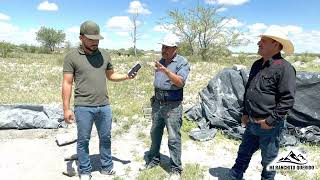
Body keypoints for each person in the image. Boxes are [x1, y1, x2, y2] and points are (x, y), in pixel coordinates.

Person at [62, 20, 136, 180]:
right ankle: (85, 170)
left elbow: (111, 75)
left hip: (104, 105)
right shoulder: (71, 56)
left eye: (97, 39)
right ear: (81, 38)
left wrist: (126, 76)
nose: (95, 42)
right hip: (83, 106)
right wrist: (66, 108)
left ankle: (107, 167)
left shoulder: (105, 55)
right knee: (83, 140)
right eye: (91, 39)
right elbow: (67, 82)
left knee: (106, 138)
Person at [230, 26, 296, 180]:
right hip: (251, 122)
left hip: (269, 125)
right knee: (244, 151)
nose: (258, 43)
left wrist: (270, 121)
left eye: (263, 41)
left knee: (269, 159)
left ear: (275, 44)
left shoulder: (284, 68)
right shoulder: (256, 64)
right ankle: (236, 174)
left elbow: (287, 99)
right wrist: (245, 113)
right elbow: (249, 90)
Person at [141, 35, 190, 178]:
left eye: (167, 47)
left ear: (175, 48)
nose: (164, 50)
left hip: (172, 106)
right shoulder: (161, 61)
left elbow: (180, 83)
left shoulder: (182, 62)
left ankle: (176, 169)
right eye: (163, 47)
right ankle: (154, 160)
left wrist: (166, 71)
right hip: (157, 103)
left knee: (174, 137)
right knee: (155, 133)